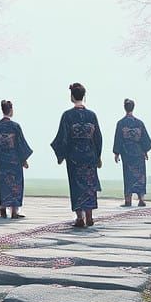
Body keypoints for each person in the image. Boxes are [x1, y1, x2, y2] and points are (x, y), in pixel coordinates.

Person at [51, 82, 103, 229]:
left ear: (72, 96)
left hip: (74, 157)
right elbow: (98, 137)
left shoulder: (67, 116)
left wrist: (61, 155)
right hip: (89, 156)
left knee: (76, 186)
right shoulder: (92, 115)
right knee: (89, 185)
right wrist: (98, 156)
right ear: (83, 96)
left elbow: (63, 137)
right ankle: (90, 215)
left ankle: (79, 217)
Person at [0, 100, 33, 219]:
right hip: (14, 160)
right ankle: (14, 211)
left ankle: (3, 208)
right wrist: (24, 160)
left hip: (2, 159)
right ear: (11, 110)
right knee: (16, 183)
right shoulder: (15, 126)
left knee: (4, 183)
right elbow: (20, 144)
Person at [114, 99, 151, 208]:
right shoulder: (139, 123)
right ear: (133, 107)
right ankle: (141, 199)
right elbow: (144, 139)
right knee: (140, 175)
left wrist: (116, 153)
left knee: (128, 175)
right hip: (138, 152)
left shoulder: (121, 123)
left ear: (124, 107)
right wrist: (145, 151)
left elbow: (118, 139)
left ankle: (128, 200)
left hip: (126, 153)